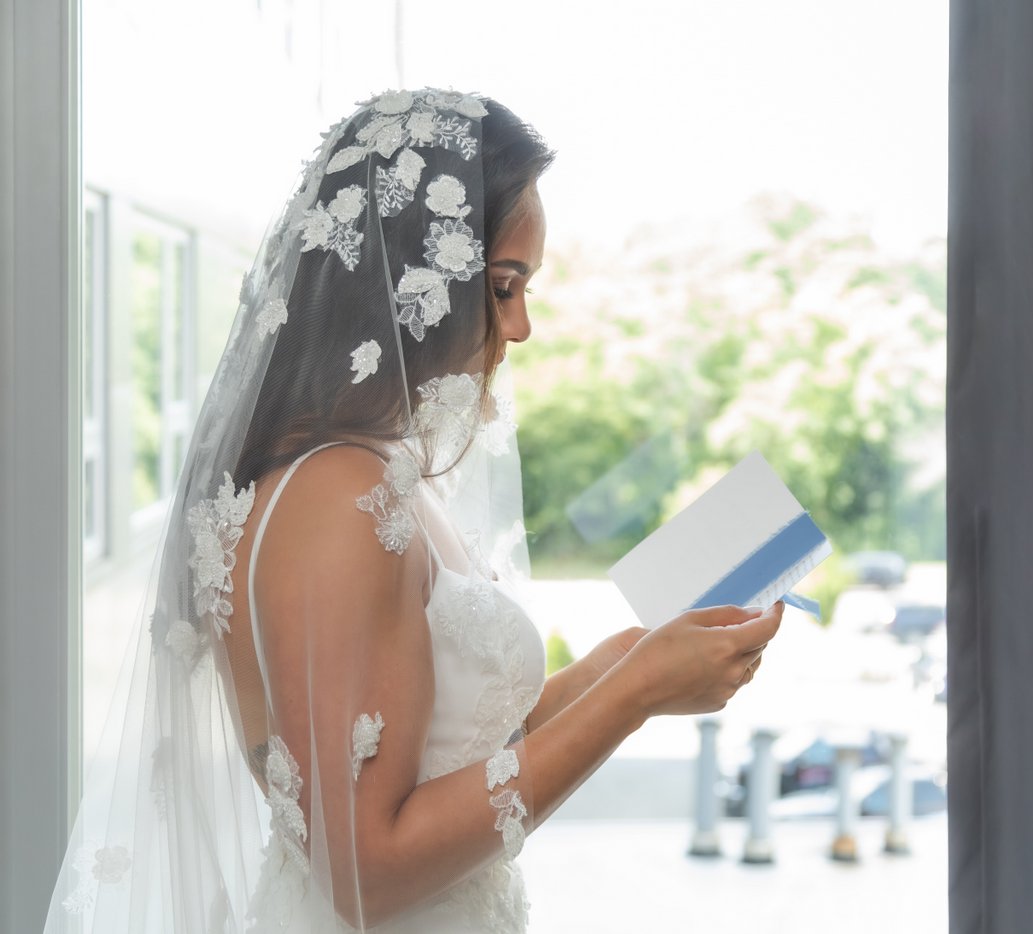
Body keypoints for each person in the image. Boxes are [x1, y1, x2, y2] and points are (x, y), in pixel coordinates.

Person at [45, 88, 782, 932]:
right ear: (407, 283)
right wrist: (638, 696)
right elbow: (367, 871)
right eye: (504, 287)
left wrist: (624, 660)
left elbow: (453, 749)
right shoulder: (337, 500)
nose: (523, 326)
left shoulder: (372, 469)